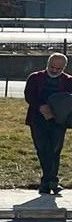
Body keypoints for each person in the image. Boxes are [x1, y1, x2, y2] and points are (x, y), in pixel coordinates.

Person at [24, 52, 72, 195]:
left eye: (59, 68)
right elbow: (29, 95)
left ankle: (49, 182)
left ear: (64, 67)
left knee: (55, 151)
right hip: (37, 120)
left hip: (58, 121)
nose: (55, 71)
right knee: (43, 149)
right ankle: (49, 181)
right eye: (52, 67)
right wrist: (41, 107)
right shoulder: (35, 78)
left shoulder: (69, 81)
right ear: (47, 64)